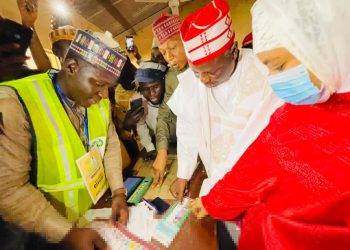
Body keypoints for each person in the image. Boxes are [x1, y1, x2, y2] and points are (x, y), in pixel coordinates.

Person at [190, 0, 350, 249]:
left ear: (325, 49)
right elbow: (256, 165)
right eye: (267, 69)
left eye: (279, 66)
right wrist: (213, 201)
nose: (275, 81)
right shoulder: (296, 111)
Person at [0, 30, 129, 248]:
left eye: (109, 87)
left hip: (90, 218)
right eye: (99, 84)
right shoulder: (13, 103)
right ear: (71, 67)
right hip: (45, 235)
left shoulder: (99, 102)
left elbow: (110, 144)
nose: (105, 95)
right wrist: (68, 232)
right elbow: (9, 190)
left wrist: (118, 191)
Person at [168, 0, 282, 201]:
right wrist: (183, 174)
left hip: (262, 186)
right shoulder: (193, 84)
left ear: (234, 50)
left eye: (213, 71)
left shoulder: (265, 73)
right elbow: (187, 128)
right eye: (197, 73)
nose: (203, 80)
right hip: (217, 183)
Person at [151, 14, 189, 186]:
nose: (169, 57)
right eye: (164, 52)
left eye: (173, 48)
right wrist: (161, 151)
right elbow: (165, 114)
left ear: (185, 40)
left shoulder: (205, 68)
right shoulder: (172, 77)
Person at [132, 61, 167, 159]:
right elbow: (141, 124)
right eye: (145, 89)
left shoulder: (173, 95)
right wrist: (149, 147)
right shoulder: (137, 100)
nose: (152, 93)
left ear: (163, 81)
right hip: (159, 143)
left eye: (156, 86)